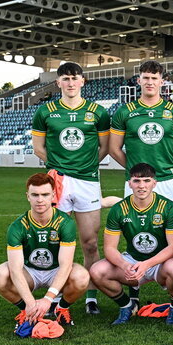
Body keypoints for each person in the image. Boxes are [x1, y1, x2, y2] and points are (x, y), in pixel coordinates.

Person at [30, 62, 110, 314]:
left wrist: (83, 168)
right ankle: (53, 297)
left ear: (83, 81)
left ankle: (91, 297)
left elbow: (104, 148)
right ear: (58, 83)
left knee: (89, 243)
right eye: (65, 79)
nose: (71, 83)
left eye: (75, 78)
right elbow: (38, 148)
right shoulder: (46, 111)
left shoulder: (97, 112)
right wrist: (58, 167)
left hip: (87, 181)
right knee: (55, 240)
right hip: (58, 181)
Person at [89, 163, 173, 325]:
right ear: (129, 183)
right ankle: (127, 306)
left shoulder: (168, 207)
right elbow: (109, 248)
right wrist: (125, 265)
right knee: (97, 270)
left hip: (160, 263)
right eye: (137, 181)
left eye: (147, 181)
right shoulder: (119, 209)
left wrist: (147, 264)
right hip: (133, 261)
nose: (142, 186)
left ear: (154, 183)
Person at [0, 173, 89, 329]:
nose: (40, 199)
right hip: (30, 272)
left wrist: (48, 299)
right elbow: (15, 269)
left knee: (81, 276)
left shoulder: (65, 223)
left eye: (45, 194)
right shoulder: (17, 226)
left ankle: (61, 308)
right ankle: (26, 311)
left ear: (53, 195)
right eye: (35, 195)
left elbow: (66, 265)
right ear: (27, 196)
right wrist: (31, 303)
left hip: (56, 270)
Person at [110, 60, 173, 215]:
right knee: (135, 231)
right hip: (135, 182)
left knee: (170, 233)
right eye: (146, 78)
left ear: (161, 81)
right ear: (139, 80)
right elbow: (114, 149)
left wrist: (168, 167)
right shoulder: (124, 111)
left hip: (167, 180)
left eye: (154, 78)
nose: (150, 82)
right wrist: (135, 170)